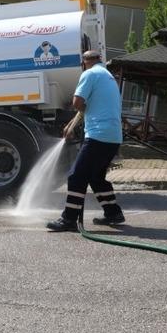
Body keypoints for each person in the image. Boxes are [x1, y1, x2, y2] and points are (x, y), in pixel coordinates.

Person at [46, 50, 125, 232]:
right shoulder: (108, 77)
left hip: (98, 135)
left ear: (84, 62)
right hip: (113, 137)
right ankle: (113, 213)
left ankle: (69, 219)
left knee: (76, 176)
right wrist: (72, 126)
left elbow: (77, 103)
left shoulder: (89, 74)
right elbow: (86, 107)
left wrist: (74, 123)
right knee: (96, 177)